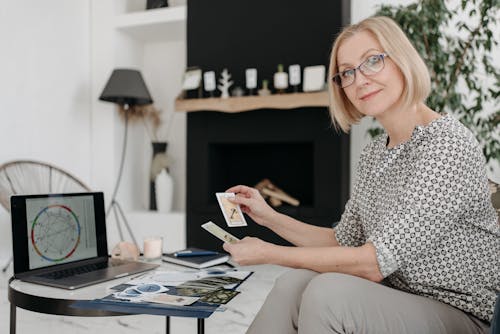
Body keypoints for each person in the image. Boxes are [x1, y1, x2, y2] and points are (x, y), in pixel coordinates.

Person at [222, 16, 499, 334]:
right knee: (293, 283)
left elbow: (371, 263)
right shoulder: (374, 154)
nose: (359, 80)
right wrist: (268, 216)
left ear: (401, 60)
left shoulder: (445, 144)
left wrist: (269, 253)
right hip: (399, 296)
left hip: (461, 314)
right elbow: (344, 241)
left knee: (328, 295)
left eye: (373, 61)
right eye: (347, 72)